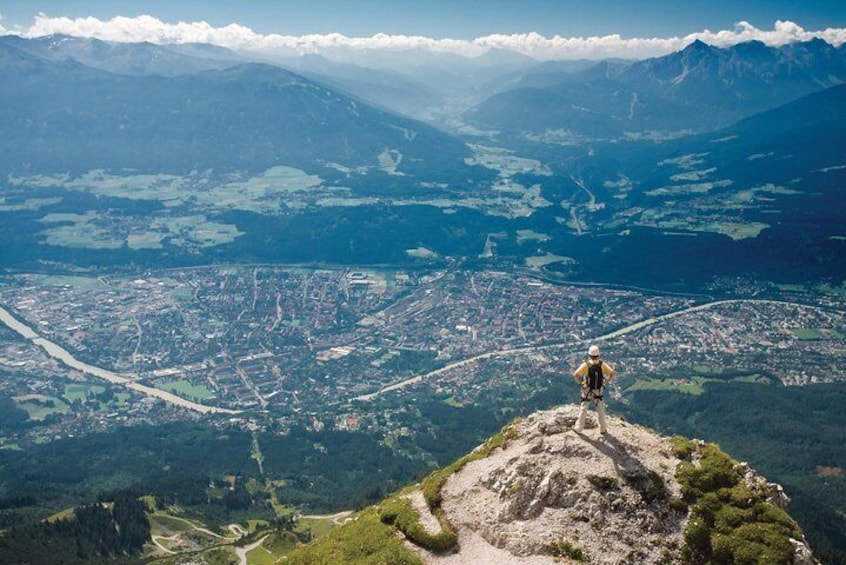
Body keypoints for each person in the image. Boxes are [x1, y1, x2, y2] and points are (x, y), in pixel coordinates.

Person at [572, 344, 615, 434]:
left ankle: (579, 428)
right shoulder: (602, 364)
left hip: (587, 389)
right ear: (598, 355)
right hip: (598, 390)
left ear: (589, 355)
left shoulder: (586, 365)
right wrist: (606, 382)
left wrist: (581, 383)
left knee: (584, 408)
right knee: (600, 410)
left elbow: (575, 374)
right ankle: (603, 429)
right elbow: (612, 373)